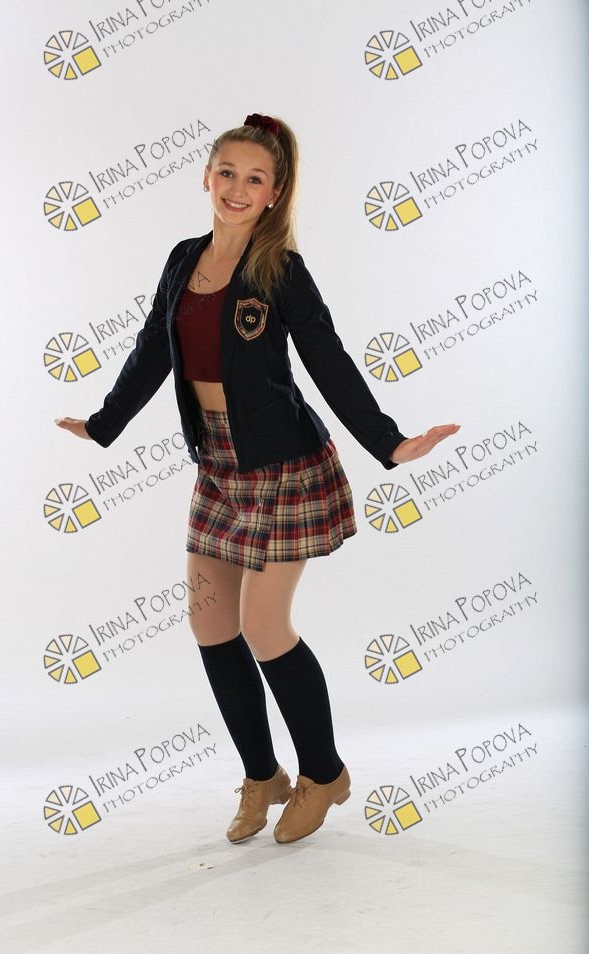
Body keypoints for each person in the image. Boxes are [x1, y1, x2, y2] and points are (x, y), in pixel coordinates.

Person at [56, 112, 459, 845]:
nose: (237, 189)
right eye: (227, 173)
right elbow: (153, 349)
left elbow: (328, 360)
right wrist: (105, 423)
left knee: (265, 628)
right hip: (217, 463)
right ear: (206, 177)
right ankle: (262, 775)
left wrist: (389, 442)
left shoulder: (281, 270)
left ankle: (324, 774)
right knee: (210, 625)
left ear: (275, 192)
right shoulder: (183, 259)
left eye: (255, 178)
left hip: (283, 467)